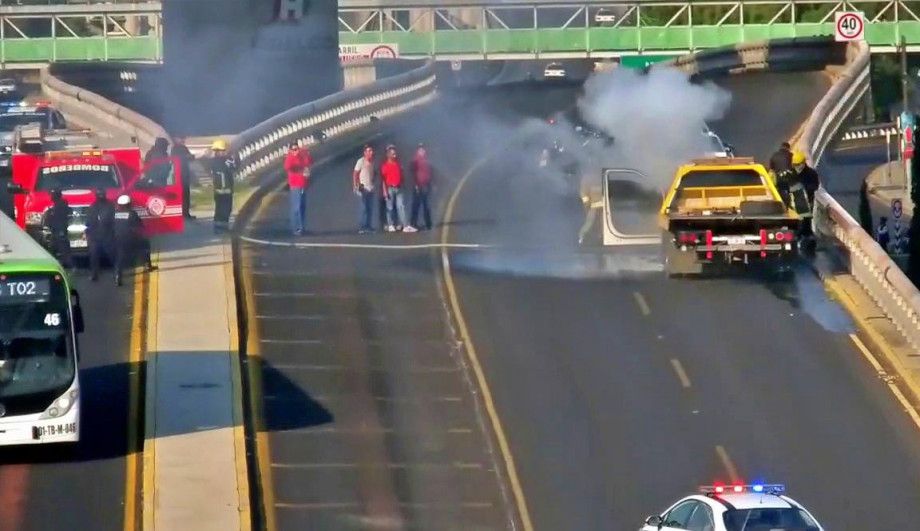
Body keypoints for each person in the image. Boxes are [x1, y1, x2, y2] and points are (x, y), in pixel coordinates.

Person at [113, 194, 154, 286]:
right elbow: (139, 225)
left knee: (119, 258)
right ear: (128, 204)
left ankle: (118, 276)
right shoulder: (132, 213)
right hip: (130, 239)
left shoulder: (115, 213)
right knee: (145, 244)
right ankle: (148, 265)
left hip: (118, 239)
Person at [380, 145, 416, 233]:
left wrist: (403, 185)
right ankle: (391, 225)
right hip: (390, 188)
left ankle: (405, 225)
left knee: (401, 207)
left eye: (395, 153)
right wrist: (385, 191)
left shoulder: (398, 164)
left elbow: (401, 176)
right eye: (392, 154)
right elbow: (383, 180)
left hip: (399, 188)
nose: (395, 155)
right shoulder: (385, 166)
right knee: (390, 207)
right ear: (388, 155)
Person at [86, 188, 115, 281]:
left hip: (99, 235)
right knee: (110, 255)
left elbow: (88, 222)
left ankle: (95, 274)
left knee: (95, 255)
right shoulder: (110, 205)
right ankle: (116, 272)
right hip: (104, 234)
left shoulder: (93, 206)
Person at [283, 142, 312, 236]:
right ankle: (296, 228)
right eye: (294, 149)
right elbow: (288, 167)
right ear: (290, 150)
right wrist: (294, 156)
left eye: (297, 149)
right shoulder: (290, 158)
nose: (296, 151)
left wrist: (305, 152)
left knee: (302, 207)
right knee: (297, 207)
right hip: (295, 185)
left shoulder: (302, 156)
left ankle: (302, 227)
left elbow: (309, 162)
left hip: (303, 184)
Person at [209, 138, 236, 232]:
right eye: (224, 150)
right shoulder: (226, 161)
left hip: (217, 190)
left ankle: (218, 227)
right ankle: (223, 228)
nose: (225, 152)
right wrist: (233, 156)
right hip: (226, 189)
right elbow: (234, 167)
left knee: (219, 209)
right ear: (221, 151)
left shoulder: (213, 161)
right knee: (226, 209)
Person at [44, 189, 72, 269]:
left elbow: (59, 220)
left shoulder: (60, 207)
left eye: (52, 195)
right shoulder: (57, 206)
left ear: (56, 196)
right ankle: (60, 265)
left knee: (63, 250)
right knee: (54, 249)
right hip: (56, 231)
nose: (51, 197)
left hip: (60, 231)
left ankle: (70, 266)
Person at [170, 136, 196, 219]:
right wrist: (188, 157)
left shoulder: (181, 148)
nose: (183, 140)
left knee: (186, 195)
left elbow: (190, 158)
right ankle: (183, 214)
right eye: (181, 138)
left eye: (184, 138)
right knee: (183, 195)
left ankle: (185, 213)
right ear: (176, 139)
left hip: (183, 174)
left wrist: (190, 156)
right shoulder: (176, 149)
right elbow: (181, 158)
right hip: (180, 174)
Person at [353, 144, 376, 234]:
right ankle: (362, 226)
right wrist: (356, 186)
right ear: (365, 152)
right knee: (363, 208)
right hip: (363, 187)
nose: (371, 152)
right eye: (369, 151)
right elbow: (355, 174)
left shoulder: (372, 162)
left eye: (371, 151)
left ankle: (368, 226)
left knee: (370, 208)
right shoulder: (361, 161)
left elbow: (373, 174)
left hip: (371, 188)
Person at [410, 143, 433, 231]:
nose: (422, 151)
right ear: (417, 151)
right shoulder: (415, 161)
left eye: (423, 149)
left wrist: (431, 184)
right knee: (416, 205)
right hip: (418, 186)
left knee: (426, 205)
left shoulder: (427, 160)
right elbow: (412, 173)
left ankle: (428, 224)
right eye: (420, 149)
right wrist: (415, 184)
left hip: (426, 185)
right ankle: (413, 223)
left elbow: (430, 173)